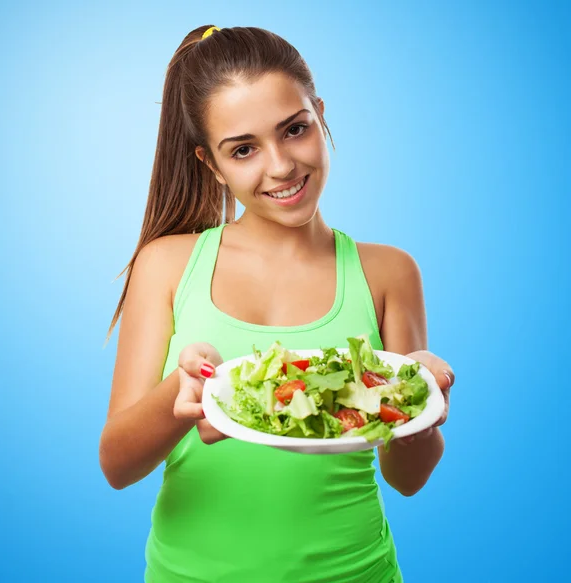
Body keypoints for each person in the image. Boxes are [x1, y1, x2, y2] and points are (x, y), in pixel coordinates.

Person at [99, 24, 455, 583]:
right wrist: (182, 396)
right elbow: (117, 465)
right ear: (211, 165)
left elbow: (407, 478)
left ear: (320, 114)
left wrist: (420, 407)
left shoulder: (389, 272)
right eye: (243, 149)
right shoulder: (168, 264)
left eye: (294, 130)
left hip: (355, 571)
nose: (282, 166)